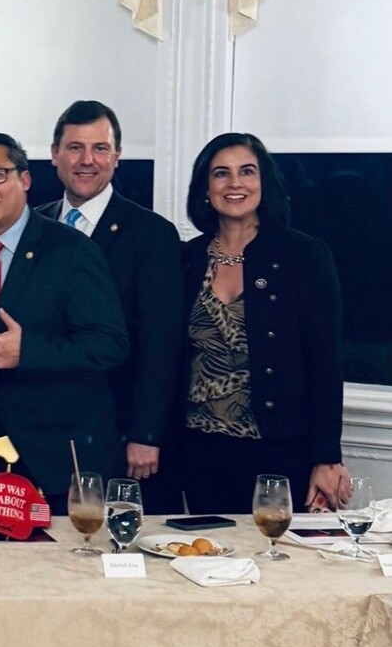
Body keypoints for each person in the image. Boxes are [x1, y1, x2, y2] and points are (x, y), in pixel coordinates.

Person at [0, 131, 128, 510]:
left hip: (59, 459)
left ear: (25, 180)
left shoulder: (71, 249)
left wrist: (28, 350)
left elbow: (109, 342)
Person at [179, 133, 351, 513]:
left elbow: (325, 362)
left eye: (247, 171)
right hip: (198, 450)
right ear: (205, 189)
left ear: (264, 184)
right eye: (221, 173)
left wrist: (327, 457)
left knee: (277, 562)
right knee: (203, 561)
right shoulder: (185, 259)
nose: (235, 183)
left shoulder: (303, 255)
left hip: (279, 449)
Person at [37, 101, 184, 509]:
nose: (87, 160)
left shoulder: (151, 234)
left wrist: (146, 433)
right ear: (54, 154)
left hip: (121, 436)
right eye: (74, 148)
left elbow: (162, 344)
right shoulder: (35, 225)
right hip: (47, 434)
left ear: (116, 157)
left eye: (100, 148)